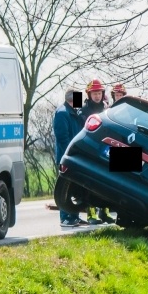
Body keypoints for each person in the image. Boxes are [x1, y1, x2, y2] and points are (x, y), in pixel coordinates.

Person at [80, 79, 115, 224]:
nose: (97, 96)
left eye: (99, 92)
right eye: (94, 93)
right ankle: (91, 214)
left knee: (108, 183)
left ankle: (105, 212)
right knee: (90, 183)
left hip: (106, 149)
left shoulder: (107, 109)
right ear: (89, 94)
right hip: (91, 150)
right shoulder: (83, 111)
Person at [54, 88, 87, 227]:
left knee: (75, 187)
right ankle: (65, 217)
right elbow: (62, 138)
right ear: (72, 100)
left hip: (75, 157)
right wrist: (70, 154)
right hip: (66, 157)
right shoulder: (62, 113)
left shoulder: (74, 113)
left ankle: (74, 215)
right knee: (65, 188)